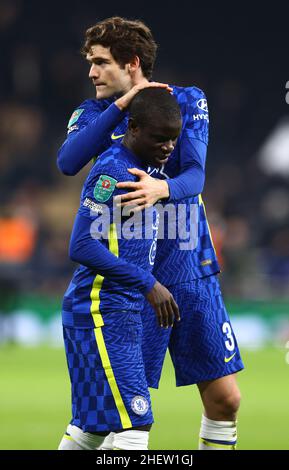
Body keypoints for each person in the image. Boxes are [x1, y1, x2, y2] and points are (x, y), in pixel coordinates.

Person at [57, 16, 244, 450]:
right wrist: (121, 109)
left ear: (132, 63)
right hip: (135, 276)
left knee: (225, 400)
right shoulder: (92, 114)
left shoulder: (186, 100)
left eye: (101, 63)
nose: (91, 73)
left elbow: (196, 176)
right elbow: (68, 163)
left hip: (189, 266)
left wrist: (163, 188)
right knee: (110, 419)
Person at [58, 88, 181, 451]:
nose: (168, 148)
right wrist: (148, 282)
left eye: (173, 140)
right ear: (133, 128)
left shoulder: (149, 172)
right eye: (159, 139)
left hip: (115, 310)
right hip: (100, 309)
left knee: (92, 427)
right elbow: (80, 245)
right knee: (135, 424)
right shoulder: (112, 169)